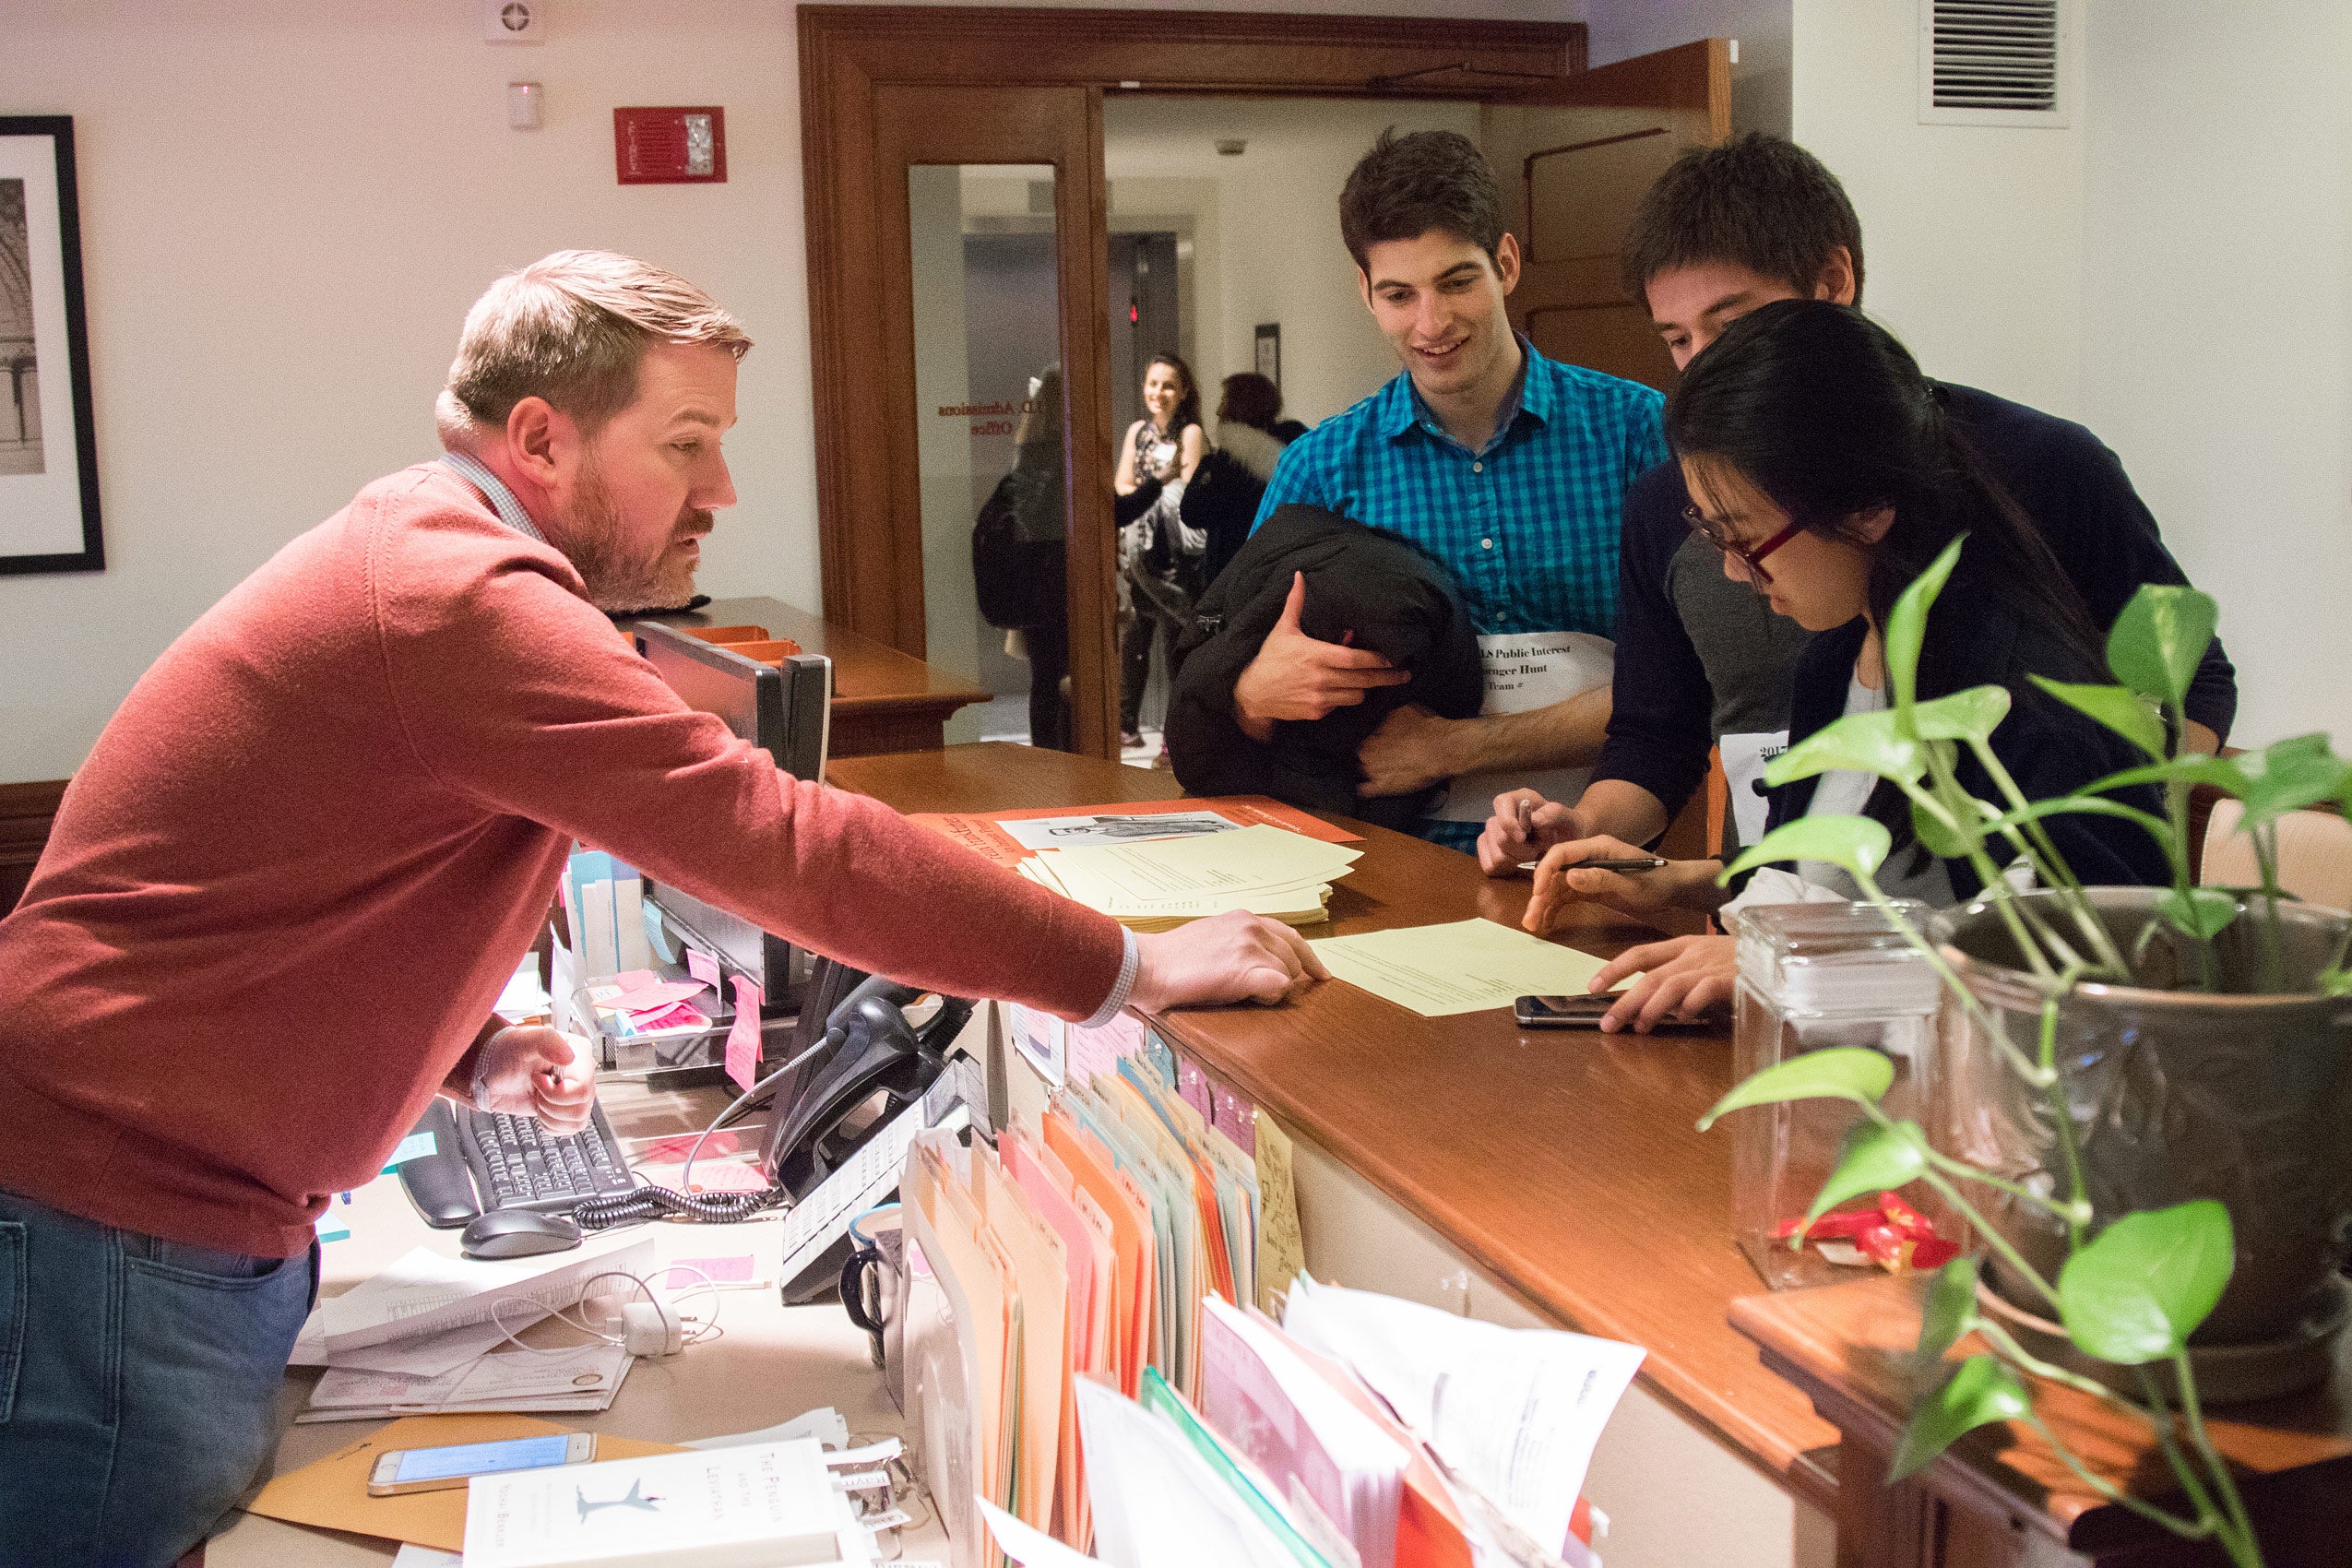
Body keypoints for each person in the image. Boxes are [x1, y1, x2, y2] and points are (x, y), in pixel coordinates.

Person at [0, 251, 1322, 1568]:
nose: (722, 491)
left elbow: (283, 880)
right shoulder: (461, 595)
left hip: (131, 1206)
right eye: (685, 444)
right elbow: (784, 844)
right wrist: (1123, 969)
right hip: (107, 1229)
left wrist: (454, 1051)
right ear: (540, 439)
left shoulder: (425, 547)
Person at [1479, 133, 2235, 880]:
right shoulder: (1808, 633)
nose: (1707, 365)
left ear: (1833, 281)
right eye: (1677, 339)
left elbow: (2185, 682)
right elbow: (1657, 732)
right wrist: (1599, 839)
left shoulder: (2042, 467)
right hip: (1789, 907)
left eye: (1733, 324)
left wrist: (2126, 820)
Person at [1521, 301, 2169, 1032]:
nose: (1736, 575)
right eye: (1711, 536)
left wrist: (1776, 964)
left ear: (1866, 510)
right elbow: (1830, 888)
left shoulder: (2028, 698)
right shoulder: (1836, 658)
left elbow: (2077, 972)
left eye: (1744, 540)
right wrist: (1676, 885)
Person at [1239, 130, 1668, 851]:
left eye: (1457, 282)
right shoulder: (1319, 470)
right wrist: (1253, 689)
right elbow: (1243, 691)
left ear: (1506, 263)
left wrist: (1457, 747)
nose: (1430, 324)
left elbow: (1686, 679)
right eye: (1399, 295)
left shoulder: (1638, 433)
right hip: (1387, 856)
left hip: (1615, 847)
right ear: (1365, 294)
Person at [1114, 352, 1207, 749]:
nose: (1159, 392)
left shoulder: (1191, 433)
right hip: (1136, 551)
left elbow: (1186, 491)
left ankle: (1174, 736)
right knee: (1134, 640)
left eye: (1168, 385)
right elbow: (1120, 485)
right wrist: (1153, 484)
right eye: (1153, 384)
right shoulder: (1137, 431)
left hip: (1173, 557)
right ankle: (1125, 726)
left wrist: (1146, 489)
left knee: (1175, 642)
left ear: (1183, 391)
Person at [1181, 371, 1298, 589]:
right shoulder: (1295, 444)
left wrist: (1205, 466)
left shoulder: (1229, 462)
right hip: (1281, 571)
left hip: (1235, 574)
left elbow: (1191, 511)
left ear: (1240, 405)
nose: (1217, 411)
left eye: (1224, 401)